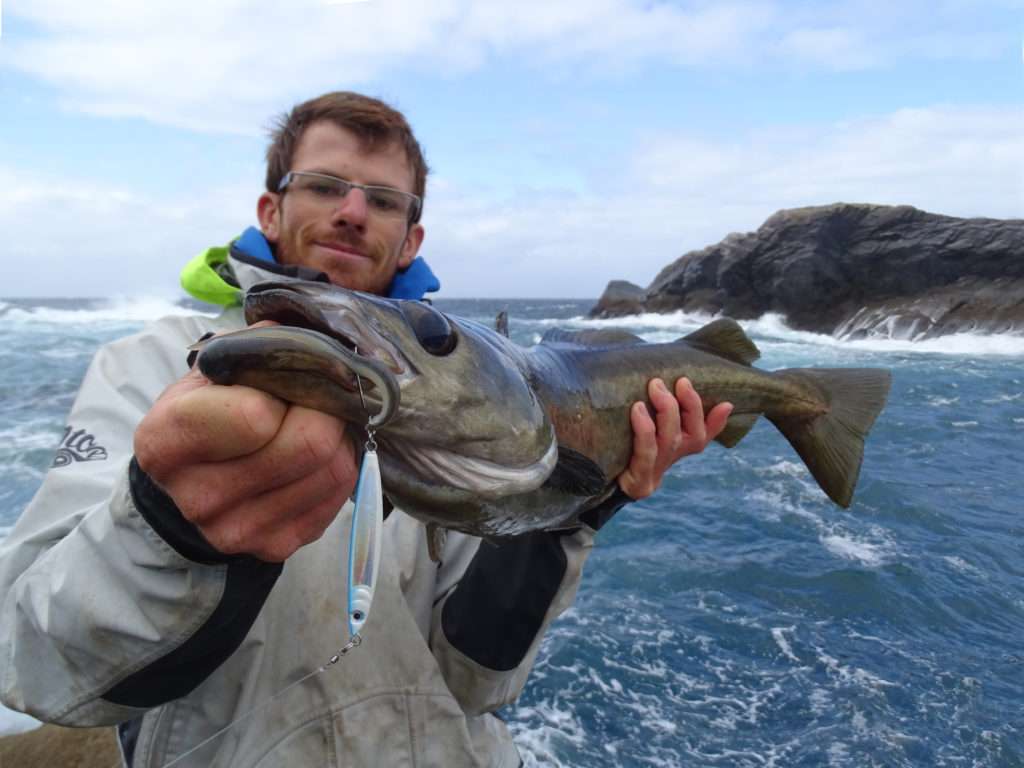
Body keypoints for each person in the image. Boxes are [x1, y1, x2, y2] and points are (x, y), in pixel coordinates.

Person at [0, 92, 733, 767]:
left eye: (383, 200)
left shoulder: (478, 405)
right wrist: (168, 529)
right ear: (269, 209)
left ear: (412, 239)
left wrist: (567, 509)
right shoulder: (150, 365)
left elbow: (476, 679)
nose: (352, 212)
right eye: (323, 186)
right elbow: (35, 661)